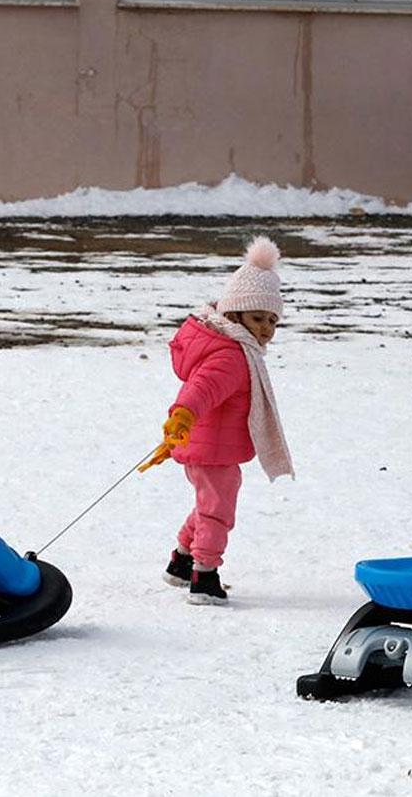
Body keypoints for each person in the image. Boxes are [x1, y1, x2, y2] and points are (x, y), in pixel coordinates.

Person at [144, 237, 294, 605]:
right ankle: (204, 576)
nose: (265, 329)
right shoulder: (230, 357)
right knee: (217, 511)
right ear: (234, 314)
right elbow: (200, 390)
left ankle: (181, 561)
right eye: (258, 318)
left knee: (208, 503)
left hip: (209, 446)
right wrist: (181, 417)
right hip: (210, 448)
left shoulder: (237, 349)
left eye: (272, 321)